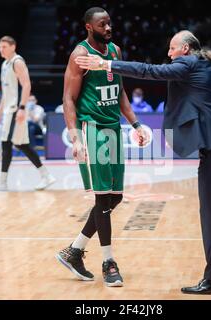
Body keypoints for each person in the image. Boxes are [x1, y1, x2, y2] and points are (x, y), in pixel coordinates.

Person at [76, 30, 211, 295]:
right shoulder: (210, 67)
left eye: (172, 49)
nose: (169, 54)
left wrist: (106, 63)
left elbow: (149, 71)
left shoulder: (188, 64)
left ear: (185, 48)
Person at [55, 7, 148, 287]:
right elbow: (68, 99)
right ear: (88, 27)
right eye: (102, 24)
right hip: (91, 128)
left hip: (113, 129)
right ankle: (109, 262)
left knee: (115, 197)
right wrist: (75, 137)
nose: (108, 28)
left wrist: (135, 124)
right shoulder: (79, 55)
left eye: (109, 23)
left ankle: (74, 250)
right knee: (101, 199)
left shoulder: (115, 51)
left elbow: (119, 92)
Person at [0, 36, 55, 191]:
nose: (1, 49)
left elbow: (27, 85)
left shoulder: (17, 62)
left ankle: (2, 182)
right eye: (0, 47)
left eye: (4, 46)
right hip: (9, 110)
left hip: (16, 110)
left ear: (13, 46)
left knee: (6, 143)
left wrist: (23, 108)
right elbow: (6, 92)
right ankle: (46, 176)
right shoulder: (4, 64)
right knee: (22, 145)